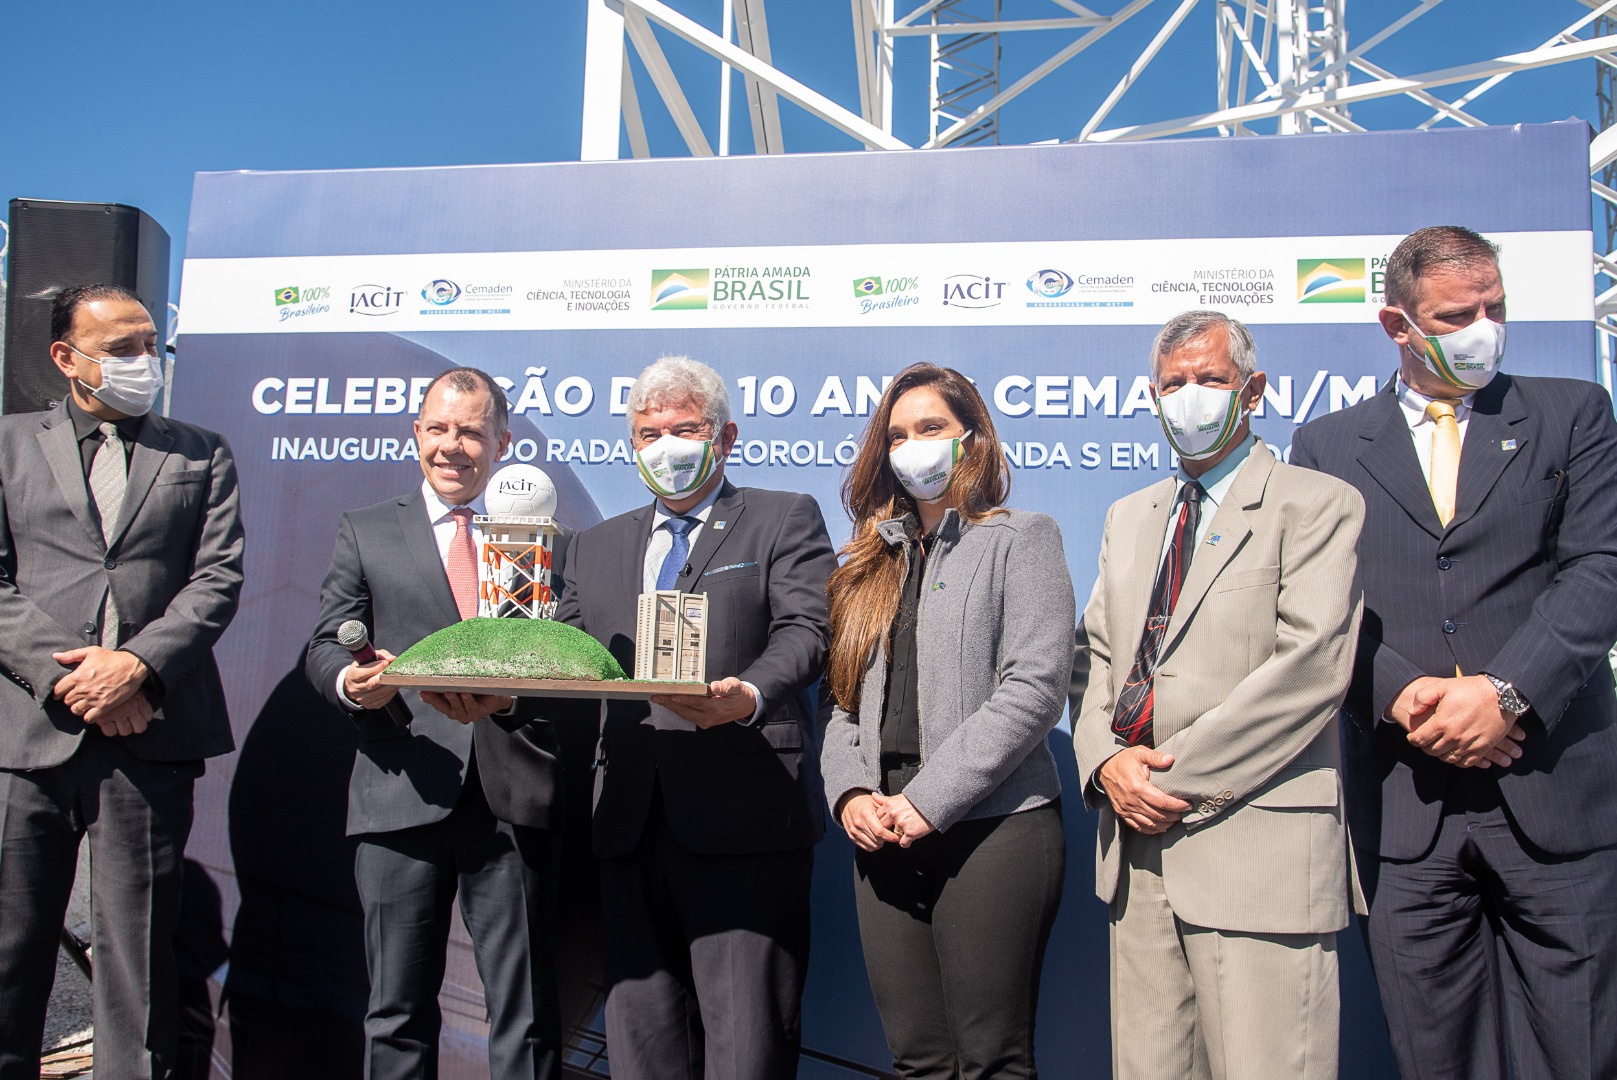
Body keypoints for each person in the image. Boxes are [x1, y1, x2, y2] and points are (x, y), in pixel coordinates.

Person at [1290, 225, 1617, 1080]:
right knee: (1435, 1055)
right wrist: (1406, 699)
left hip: (1554, 791)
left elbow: (1599, 567)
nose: (1484, 327)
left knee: (1579, 1052)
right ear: (1396, 325)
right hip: (1405, 803)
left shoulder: (1572, 412)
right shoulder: (1325, 446)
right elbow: (1317, 605)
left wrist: (1503, 692)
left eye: (1494, 307)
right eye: (1456, 313)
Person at [1072, 310, 1364, 1080]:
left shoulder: (1317, 503)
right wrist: (1106, 766)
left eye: (1210, 380)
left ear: (1253, 390)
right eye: (1173, 384)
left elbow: (1309, 669)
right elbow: (1098, 659)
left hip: (1253, 849)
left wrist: (1163, 777)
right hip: (1135, 856)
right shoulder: (1128, 517)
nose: (1189, 397)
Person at [554, 355, 834, 1080]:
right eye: (648, 432)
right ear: (630, 444)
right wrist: (494, 685)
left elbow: (807, 631)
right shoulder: (595, 545)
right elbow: (568, 657)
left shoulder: (782, 516)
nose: (665, 447)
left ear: (726, 437)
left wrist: (746, 694)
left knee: (747, 1047)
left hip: (745, 818)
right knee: (642, 1046)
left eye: (685, 429)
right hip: (628, 823)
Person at [0, 284, 245, 1079]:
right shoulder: (6, 446)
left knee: (136, 962)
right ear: (67, 358)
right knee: (9, 950)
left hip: (150, 737)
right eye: (123, 349)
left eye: (151, 346)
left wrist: (135, 667)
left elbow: (216, 580)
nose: (145, 362)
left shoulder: (201, 451)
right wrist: (72, 679)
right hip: (27, 740)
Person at [305, 367, 565, 1080]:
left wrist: (510, 700)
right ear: (417, 432)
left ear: (501, 442)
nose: (453, 446)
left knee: (527, 1011)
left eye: (472, 431)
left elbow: (565, 663)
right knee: (395, 1010)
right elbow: (327, 640)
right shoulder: (366, 530)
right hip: (400, 787)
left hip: (511, 793)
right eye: (440, 428)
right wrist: (350, 682)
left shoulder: (543, 539)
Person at [819, 364, 1072, 1080]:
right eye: (896, 434)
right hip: (881, 829)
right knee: (918, 1059)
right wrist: (849, 796)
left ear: (973, 439)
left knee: (990, 1059)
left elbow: (1033, 688)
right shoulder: (869, 562)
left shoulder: (1021, 538)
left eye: (930, 428)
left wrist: (926, 803)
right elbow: (839, 705)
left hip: (994, 829)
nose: (912, 446)